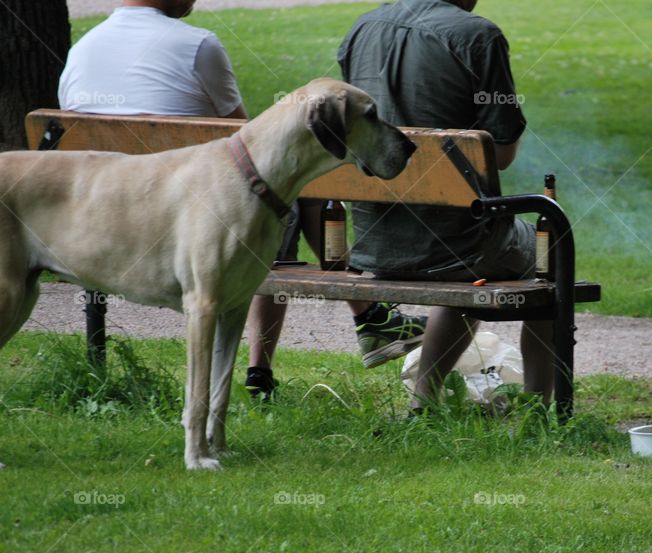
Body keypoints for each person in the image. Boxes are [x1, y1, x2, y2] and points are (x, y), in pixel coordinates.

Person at [58, 0, 426, 399]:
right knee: (284, 191)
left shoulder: (82, 47)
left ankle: (364, 322)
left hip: (112, 202)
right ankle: (340, 330)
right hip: (194, 206)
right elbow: (251, 145)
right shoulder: (200, 45)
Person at [338, 0, 555, 409]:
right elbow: (501, 154)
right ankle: (539, 409)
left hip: (373, 240)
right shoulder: (478, 36)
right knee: (553, 251)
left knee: (461, 253)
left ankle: (424, 399)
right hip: (457, 244)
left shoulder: (362, 28)